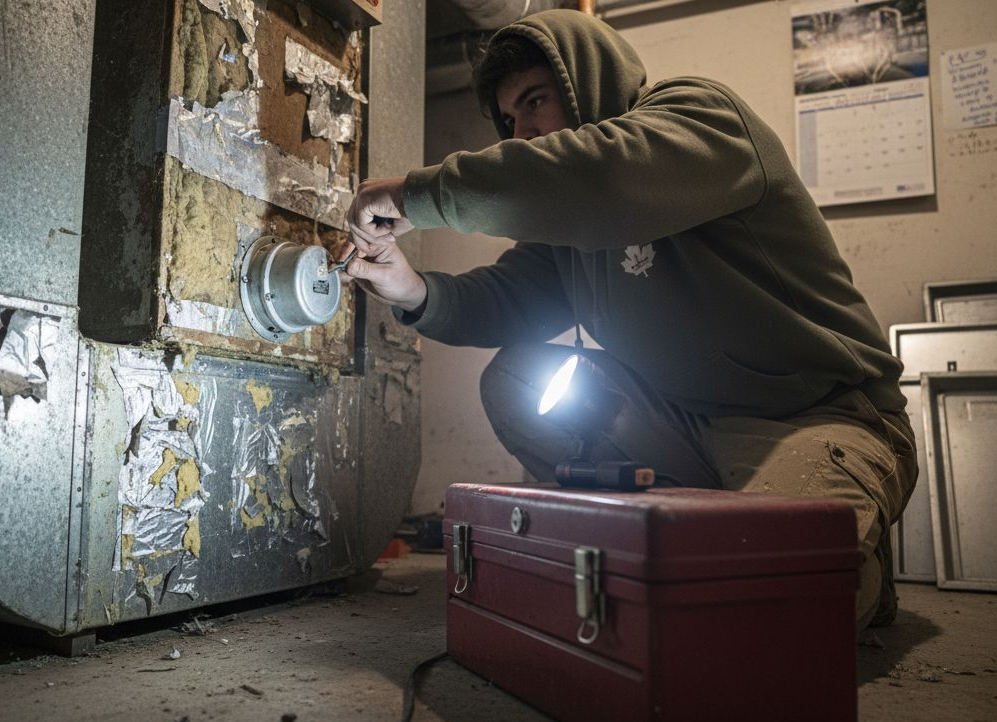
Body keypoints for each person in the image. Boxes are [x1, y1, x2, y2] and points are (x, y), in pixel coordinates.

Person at [338, 9, 916, 629]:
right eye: (509, 119)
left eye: (536, 101)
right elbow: (507, 297)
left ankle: (841, 563)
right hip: (682, 425)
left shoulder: (704, 121)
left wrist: (418, 196)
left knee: (766, 611)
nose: (522, 131)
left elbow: (601, 177)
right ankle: (686, 531)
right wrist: (412, 289)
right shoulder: (573, 234)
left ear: (587, 82)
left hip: (816, 416)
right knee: (519, 378)